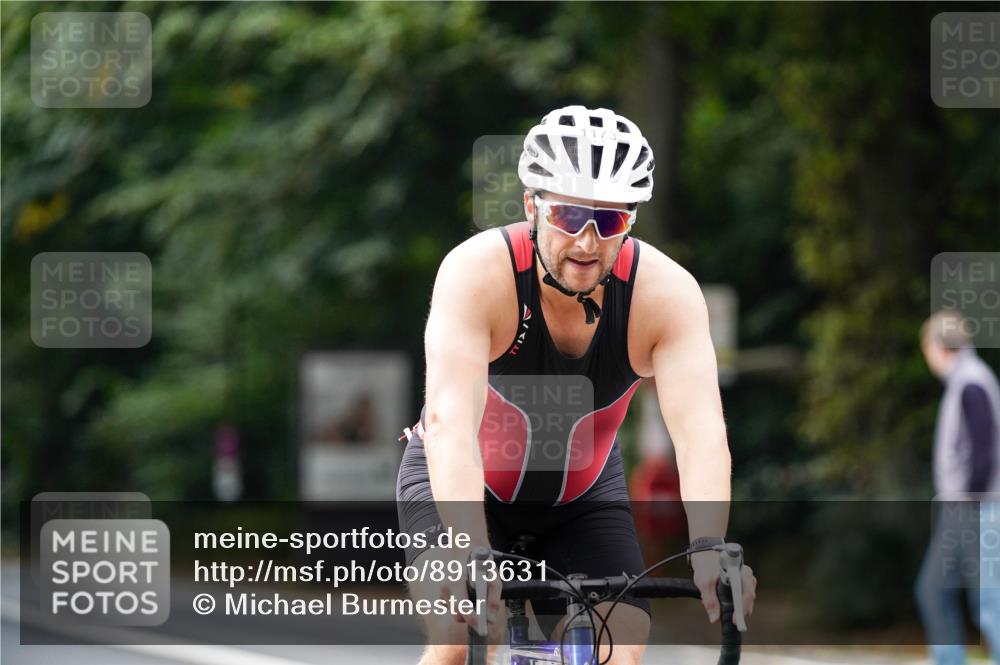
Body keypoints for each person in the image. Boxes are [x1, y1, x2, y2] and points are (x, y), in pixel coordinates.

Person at [396, 105, 756, 665]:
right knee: (460, 636)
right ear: (531, 207)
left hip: (581, 498)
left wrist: (709, 546)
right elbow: (447, 421)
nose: (587, 243)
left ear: (631, 221)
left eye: (610, 222)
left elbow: (702, 431)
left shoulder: (666, 294)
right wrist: (469, 546)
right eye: (568, 216)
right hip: (463, 485)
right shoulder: (477, 273)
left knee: (621, 645)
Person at [915, 310, 1000, 665]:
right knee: (935, 589)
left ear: (937, 346)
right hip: (966, 508)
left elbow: (985, 448)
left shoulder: (970, 382)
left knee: (989, 601)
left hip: (974, 508)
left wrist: (970, 499)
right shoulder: (966, 380)